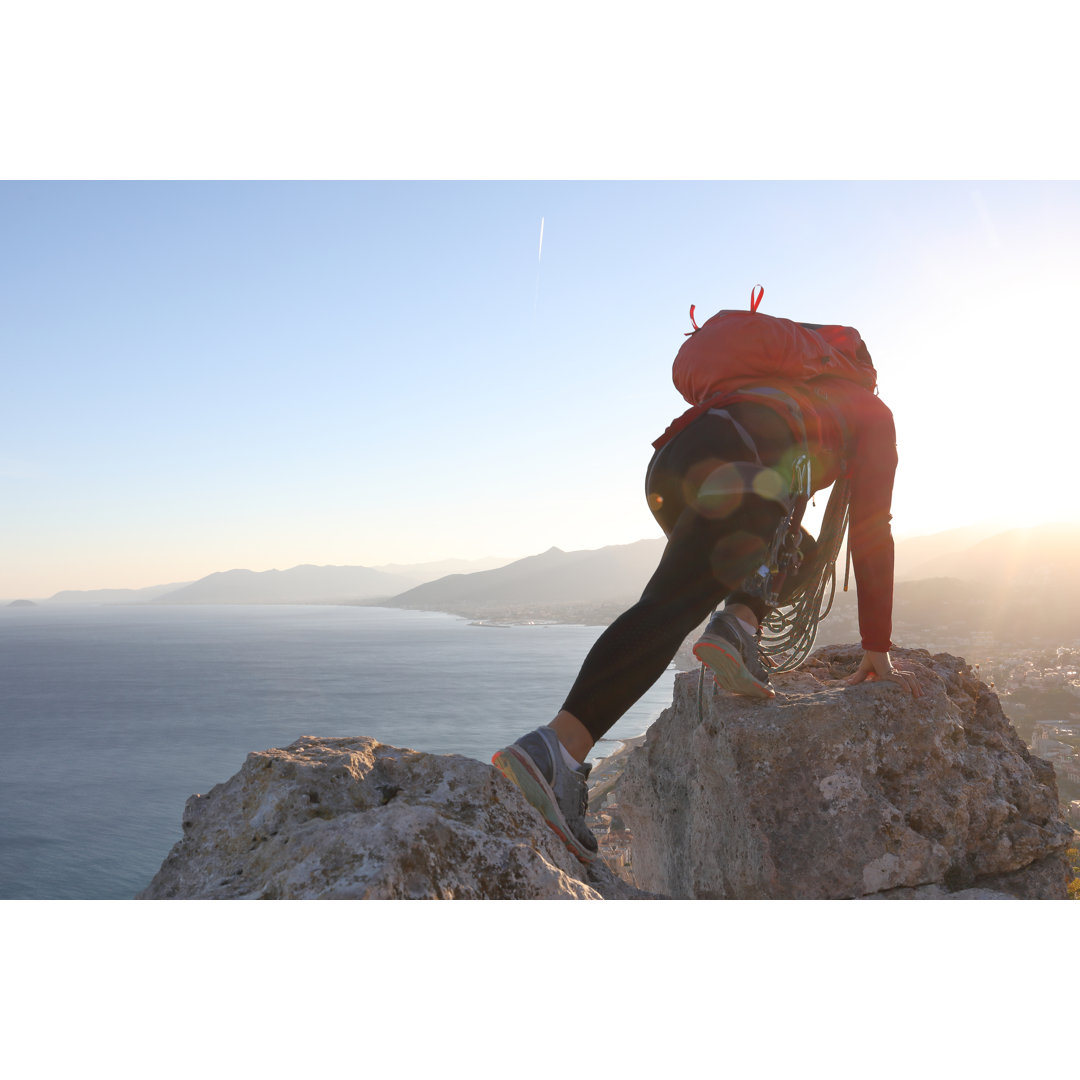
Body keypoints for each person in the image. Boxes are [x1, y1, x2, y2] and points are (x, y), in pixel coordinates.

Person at [491, 307, 922, 864]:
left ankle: (737, 624)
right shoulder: (869, 410)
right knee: (676, 607)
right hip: (745, 476)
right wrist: (877, 645)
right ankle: (555, 753)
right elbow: (871, 532)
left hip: (675, 462)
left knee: (682, 595)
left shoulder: (775, 384)